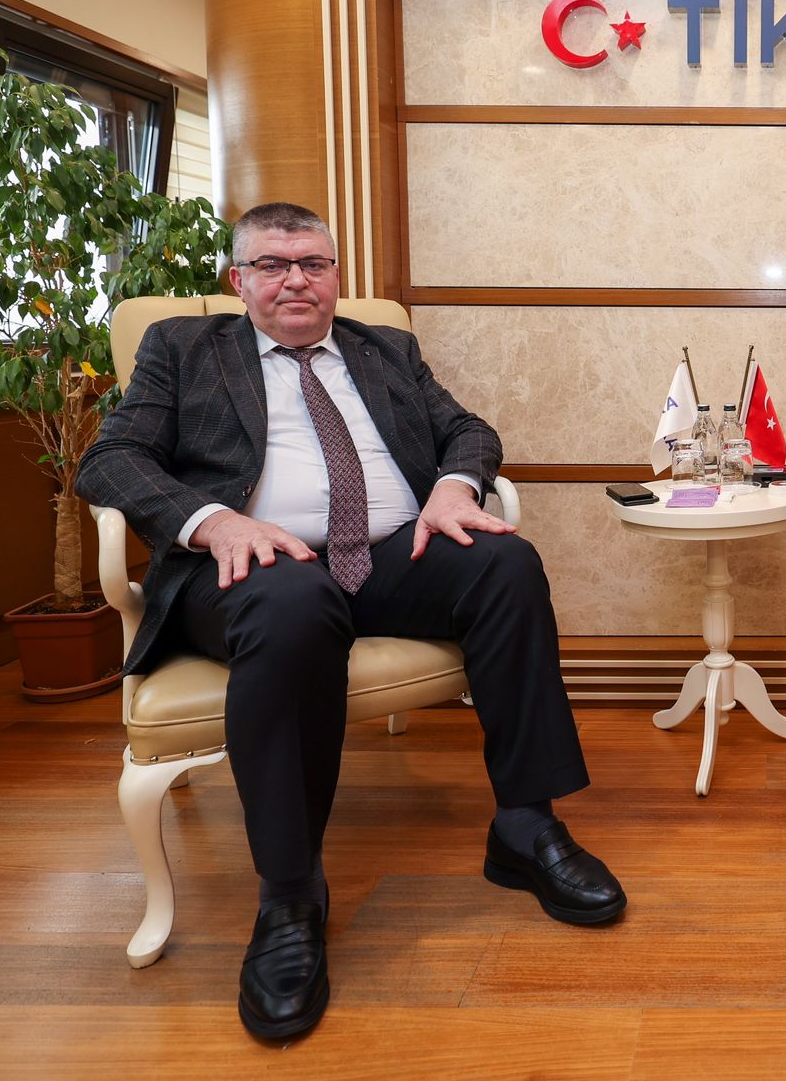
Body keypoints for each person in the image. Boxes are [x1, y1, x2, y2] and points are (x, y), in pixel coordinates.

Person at [77, 202, 623, 1041]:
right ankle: (290, 893)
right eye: (272, 264)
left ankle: (525, 825)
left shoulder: (384, 348)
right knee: (295, 600)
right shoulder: (183, 348)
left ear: (335, 275)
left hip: (389, 554)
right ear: (239, 281)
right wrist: (214, 523)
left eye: (314, 263)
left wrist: (455, 488)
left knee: (506, 565)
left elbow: (468, 430)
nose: (296, 279)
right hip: (255, 569)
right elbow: (111, 459)